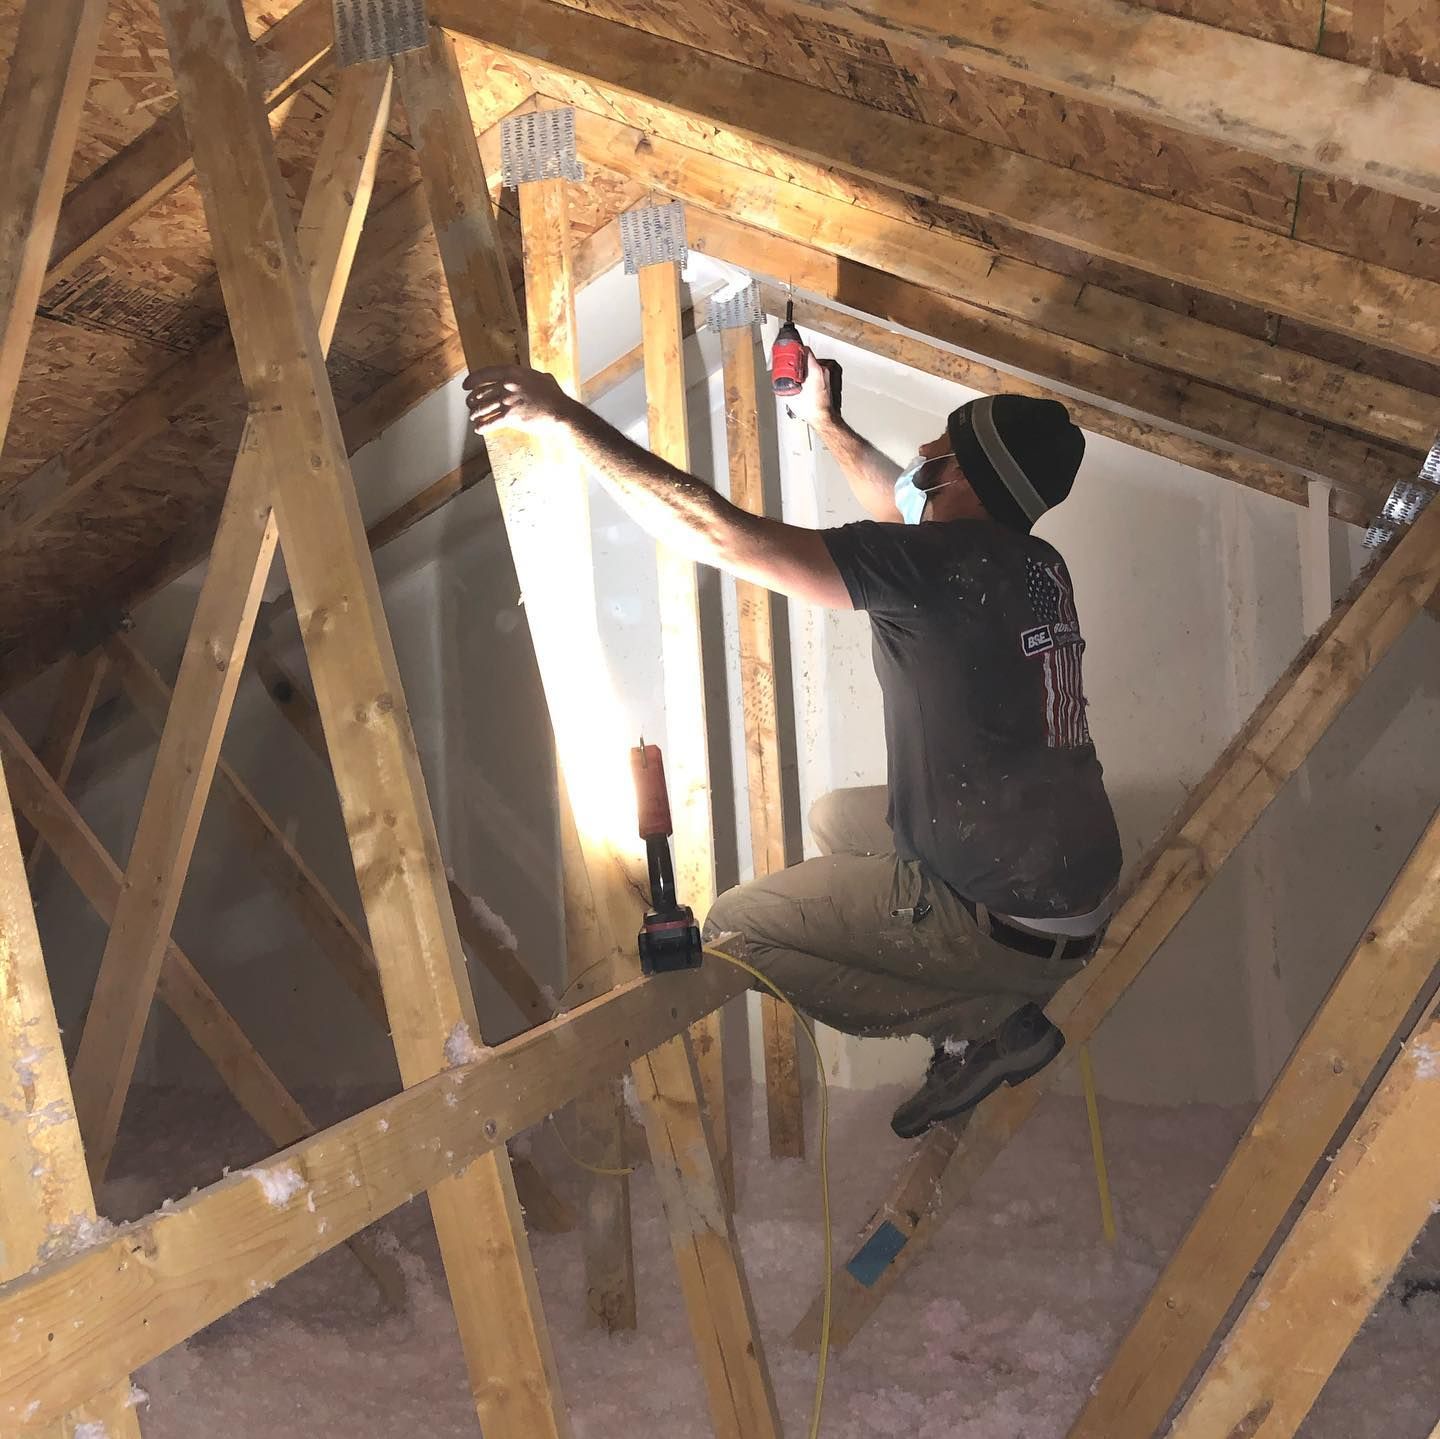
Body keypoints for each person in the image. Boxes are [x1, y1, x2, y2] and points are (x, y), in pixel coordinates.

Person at [465, 344, 1121, 1138]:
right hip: (1074, 898)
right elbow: (903, 507)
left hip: (1002, 920)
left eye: (941, 448)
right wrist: (823, 421)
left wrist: (564, 417)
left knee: (739, 932)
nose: (921, 455)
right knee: (838, 818)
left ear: (969, 479)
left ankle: (982, 1019)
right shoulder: (1029, 562)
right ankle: (978, 1002)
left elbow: (718, 533)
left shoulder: (932, 566)